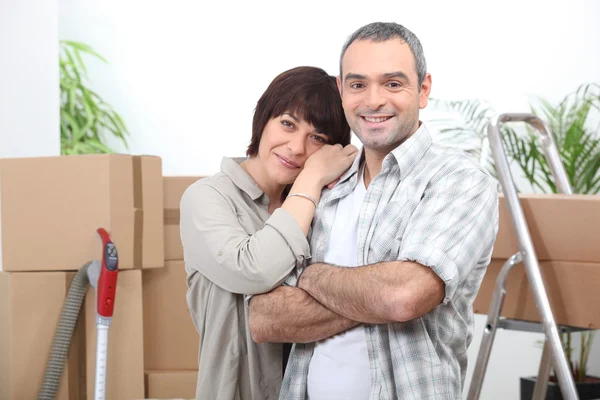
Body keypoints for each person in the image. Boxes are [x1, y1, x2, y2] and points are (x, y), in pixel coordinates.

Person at [247, 22, 500, 399]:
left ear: (424, 89)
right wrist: (374, 292)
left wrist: (309, 276)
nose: (374, 100)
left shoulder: (460, 180)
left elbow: (404, 297)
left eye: (393, 83)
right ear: (341, 90)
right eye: (358, 84)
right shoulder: (321, 183)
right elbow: (265, 319)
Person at [179, 66, 358, 400]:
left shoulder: (326, 208)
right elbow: (255, 270)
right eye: (287, 124)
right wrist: (311, 178)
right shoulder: (207, 198)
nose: (296, 147)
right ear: (263, 119)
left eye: (317, 137)